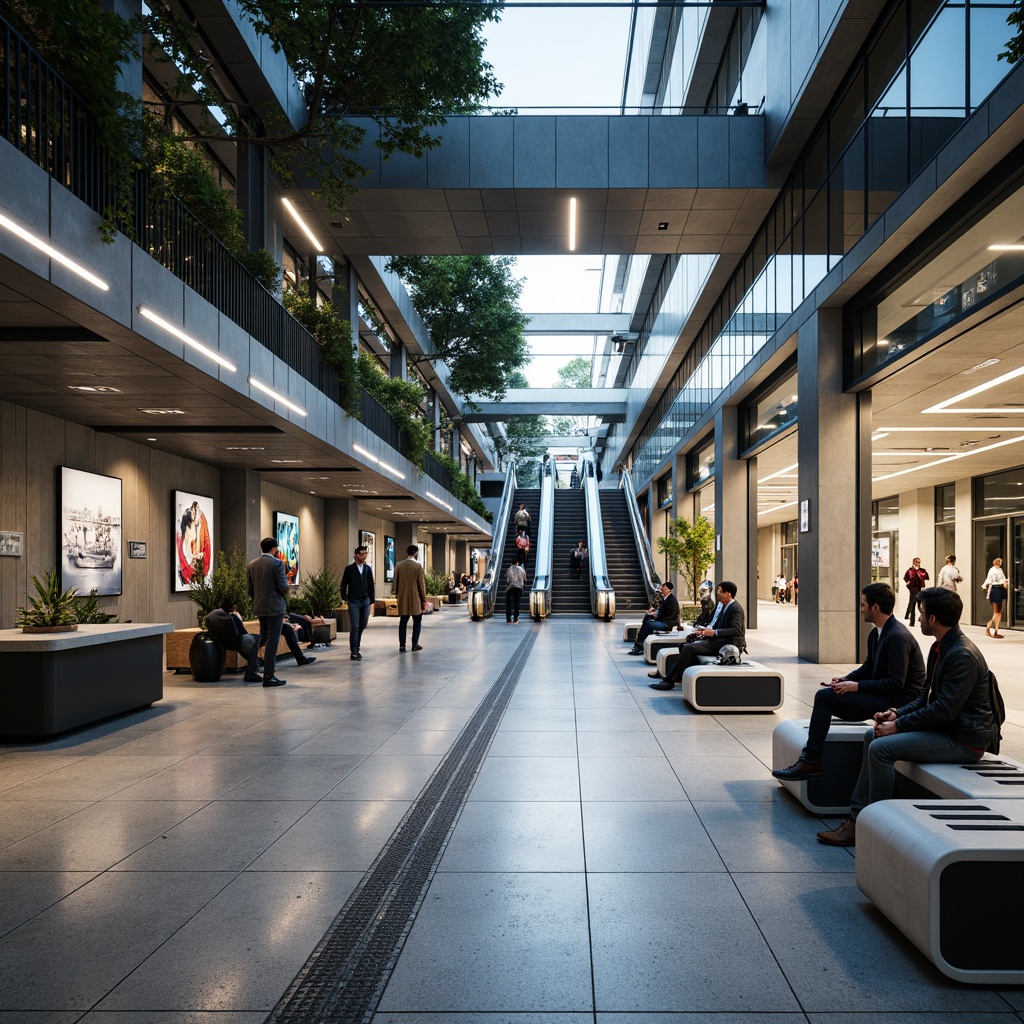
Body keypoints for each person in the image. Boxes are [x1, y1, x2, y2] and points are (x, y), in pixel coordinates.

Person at [817, 587, 1000, 846]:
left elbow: (943, 710)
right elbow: (926, 696)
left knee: (880, 749)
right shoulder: (940, 647)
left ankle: (879, 825)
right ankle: (859, 819)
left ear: (933, 619)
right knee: (872, 735)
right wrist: (897, 712)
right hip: (948, 729)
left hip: (963, 739)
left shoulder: (961, 655)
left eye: (922, 612)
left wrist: (899, 725)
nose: (919, 617)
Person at [772, 582, 925, 781]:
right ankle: (811, 760)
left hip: (899, 704)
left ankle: (811, 761)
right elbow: (869, 667)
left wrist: (856, 687)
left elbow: (896, 683)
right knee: (828, 695)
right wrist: (846, 679)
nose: (861, 609)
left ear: (875, 607)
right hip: (885, 696)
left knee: (824, 698)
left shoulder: (897, 636)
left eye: (863, 605)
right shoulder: (877, 633)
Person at [648, 581, 746, 689]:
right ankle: (678, 676)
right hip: (718, 641)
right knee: (685, 644)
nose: (718, 595)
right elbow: (716, 625)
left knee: (688, 648)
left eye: (720, 592)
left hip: (727, 645)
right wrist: (704, 630)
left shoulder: (735, 609)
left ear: (728, 593)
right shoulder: (724, 607)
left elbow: (736, 630)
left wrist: (714, 632)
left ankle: (669, 681)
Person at [247, 537, 290, 687]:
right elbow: (284, 587)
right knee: (273, 639)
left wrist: (259, 599)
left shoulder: (252, 564)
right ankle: (269, 676)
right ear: (274, 548)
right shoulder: (277, 564)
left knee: (263, 637)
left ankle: (251, 670)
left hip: (260, 606)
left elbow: (250, 590)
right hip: (275, 607)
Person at [204, 600, 261, 683]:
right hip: (234, 641)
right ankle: (252, 671)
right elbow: (242, 632)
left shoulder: (212, 615)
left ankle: (255, 664)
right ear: (231, 607)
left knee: (246, 643)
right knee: (255, 640)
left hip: (220, 641)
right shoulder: (232, 617)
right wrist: (239, 618)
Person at [340, 545, 375, 661]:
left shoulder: (367, 569)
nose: (364, 555)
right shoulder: (349, 569)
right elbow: (343, 584)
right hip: (353, 600)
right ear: (356, 555)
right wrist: (344, 598)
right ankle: (354, 650)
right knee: (354, 626)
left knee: (362, 625)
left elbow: (371, 585)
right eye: (362, 553)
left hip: (365, 600)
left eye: (366, 553)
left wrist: (371, 600)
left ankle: (357, 647)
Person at [628, 582, 680, 655]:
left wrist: (656, 615)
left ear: (668, 589)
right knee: (647, 618)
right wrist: (654, 611)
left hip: (667, 623)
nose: (661, 588)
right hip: (663, 620)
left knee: (647, 625)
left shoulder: (671, 600)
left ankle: (639, 646)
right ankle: (640, 644)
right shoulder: (666, 599)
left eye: (663, 587)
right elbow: (661, 609)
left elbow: (668, 615)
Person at [393, 543, 427, 652]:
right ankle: (414, 644)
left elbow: (395, 582)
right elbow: (421, 584)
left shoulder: (399, 565)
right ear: (416, 552)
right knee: (417, 621)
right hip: (415, 597)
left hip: (403, 597)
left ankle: (402, 645)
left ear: (407, 552)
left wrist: (396, 593)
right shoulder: (417, 566)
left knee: (403, 621)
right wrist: (424, 599)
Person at [981, 557, 1008, 638]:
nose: (999, 563)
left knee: (999, 612)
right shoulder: (992, 570)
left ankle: (995, 631)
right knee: (997, 613)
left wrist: (1005, 583)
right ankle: (988, 627)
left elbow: (1003, 579)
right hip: (995, 590)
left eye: (1000, 562)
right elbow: (989, 580)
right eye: (998, 562)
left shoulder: (1000, 570)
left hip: (1000, 589)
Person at [902, 557, 929, 626]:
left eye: (919, 562)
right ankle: (912, 621)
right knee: (913, 604)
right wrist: (908, 582)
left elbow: (926, 576)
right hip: (913, 589)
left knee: (919, 605)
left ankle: (923, 619)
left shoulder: (922, 571)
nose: (918, 564)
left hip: (919, 589)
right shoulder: (910, 570)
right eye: (917, 562)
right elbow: (906, 578)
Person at [506, 556, 527, 624]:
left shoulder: (509, 569)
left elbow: (508, 579)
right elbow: (524, 577)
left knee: (508, 603)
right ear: (517, 562)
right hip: (518, 588)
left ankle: (508, 618)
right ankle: (515, 618)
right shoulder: (520, 569)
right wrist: (522, 586)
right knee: (516, 603)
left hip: (510, 588)